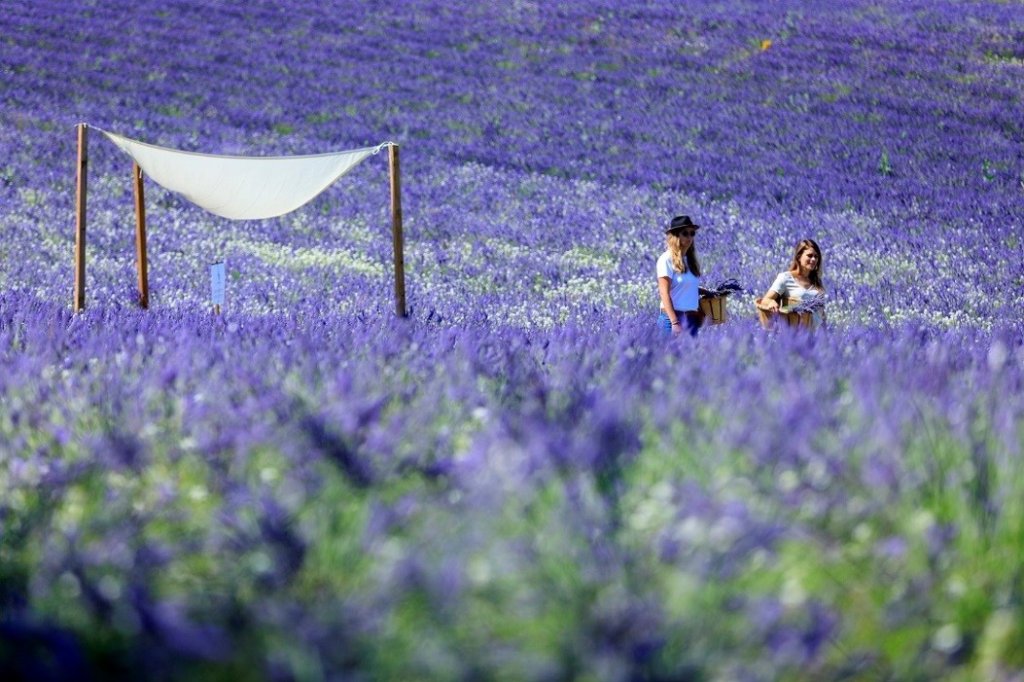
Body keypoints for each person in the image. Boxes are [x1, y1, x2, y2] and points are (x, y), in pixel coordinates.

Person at [757, 238, 826, 327]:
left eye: (816, 256)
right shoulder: (785, 278)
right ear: (799, 257)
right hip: (794, 335)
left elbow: (822, 314)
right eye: (809, 255)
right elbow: (765, 300)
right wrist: (771, 302)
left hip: (814, 337)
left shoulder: (816, 281)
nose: (813, 259)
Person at [656, 215, 705, 337]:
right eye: (685, 233)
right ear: (675, 236)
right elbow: (664, 293)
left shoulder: (690, 261)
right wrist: (674, 322)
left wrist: (707, 293)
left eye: (692, 233)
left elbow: (687, 288)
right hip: (672, 320)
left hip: (691, 320)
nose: (689, 237)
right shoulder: (666, 259)